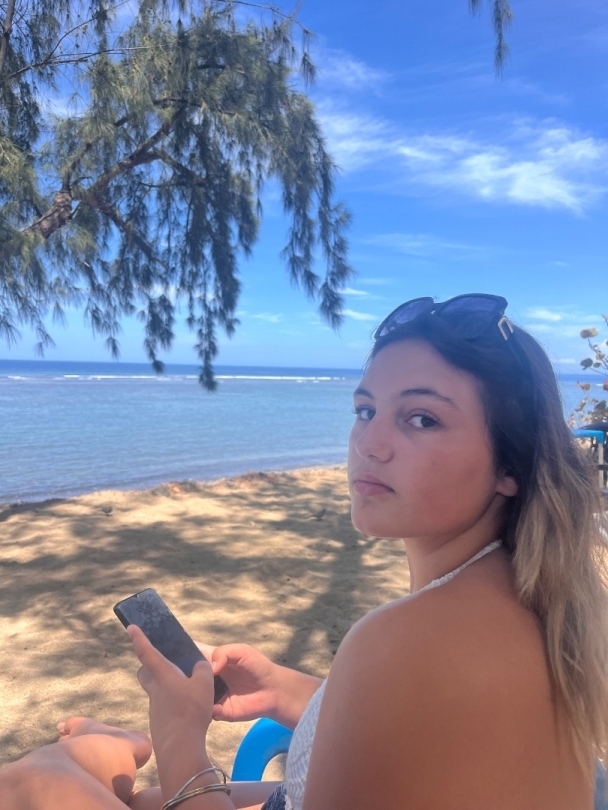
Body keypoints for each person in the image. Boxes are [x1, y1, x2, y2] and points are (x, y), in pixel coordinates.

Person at [2, 293, 608, 810]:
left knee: (27, 785)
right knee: (132, 799)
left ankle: (101, 748)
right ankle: (97, 750)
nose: (369, 443)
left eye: (421, 419)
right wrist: (283, 689)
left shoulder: (410, 639)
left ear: (510, 465)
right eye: (366, 410)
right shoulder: (525, 595)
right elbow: (420, 734)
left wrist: (179, 736)